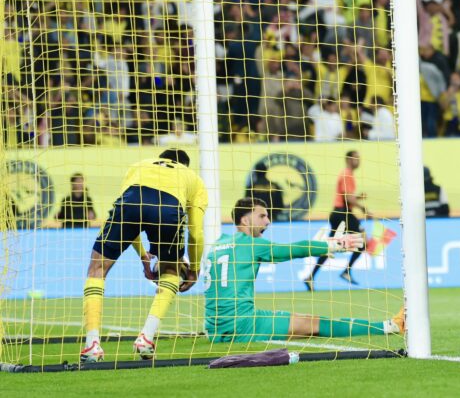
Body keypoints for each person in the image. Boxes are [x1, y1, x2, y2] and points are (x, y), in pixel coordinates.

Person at [204, 198, 403, 343]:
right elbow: (292, 250)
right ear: (245, 221)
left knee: (304, 325)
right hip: (244, 325)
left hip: (214, 329)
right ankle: (389, 326)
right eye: (262, 216)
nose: (267, 221)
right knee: (315, 324)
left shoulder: (217, 245)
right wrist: (333, 245)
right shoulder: (250, 244)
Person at [81, 149, 207, 362]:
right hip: (169, 208)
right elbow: (196, 232)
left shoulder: (139, 165)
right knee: (170, 270)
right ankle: (146, 338)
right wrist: (193, 269)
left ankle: (92, 345)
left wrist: (143, 256)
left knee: (97, 268)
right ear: (185, 165)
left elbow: (125, 206)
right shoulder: (193, 178)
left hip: (133, 201)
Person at [305, 150, 367, 289]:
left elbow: (347, 197)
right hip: (342, 213)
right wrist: (363, 208)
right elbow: (346, 197)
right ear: (349, 160)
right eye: (356, 158)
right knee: (362, 241)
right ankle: (346, 271)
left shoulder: (347, 175)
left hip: (340, 213)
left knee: (331, 246)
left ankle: (310, 276)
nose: (359, 160)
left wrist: (357, 199)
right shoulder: (347, 174)